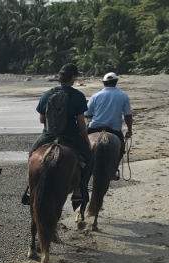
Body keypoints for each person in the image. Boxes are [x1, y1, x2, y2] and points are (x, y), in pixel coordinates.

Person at [22, 63, 91, 209]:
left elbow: (42, 119)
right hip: (71, 136)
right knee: (89, 159)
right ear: (73, 78)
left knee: (32, 155)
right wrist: (85, 140)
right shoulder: (78, 96)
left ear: (59, 78)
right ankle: (79, 190)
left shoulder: (47, 94)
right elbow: (81, 123)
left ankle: (29, 189)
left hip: (48, 135)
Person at [85, 72, 133, 180]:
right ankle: (113, 169)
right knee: (120, 149)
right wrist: (129, 130)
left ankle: (82, 168)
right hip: (114, 129)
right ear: (116, 82)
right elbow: (128, 115)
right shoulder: (123, 95)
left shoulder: (95, 96)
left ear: (104, 83)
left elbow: (87, 114)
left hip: (94, 128)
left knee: (81, 147)